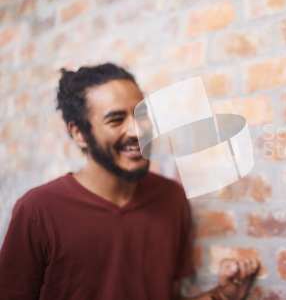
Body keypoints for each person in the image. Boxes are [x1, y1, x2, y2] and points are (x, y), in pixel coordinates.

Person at [0, 63, 260, 300]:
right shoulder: (37, 210)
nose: (137, 131)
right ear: (80, 133)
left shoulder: (171, 199)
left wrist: (222, 296)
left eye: (142, 115)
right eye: (115, 120)